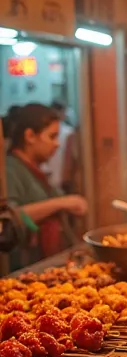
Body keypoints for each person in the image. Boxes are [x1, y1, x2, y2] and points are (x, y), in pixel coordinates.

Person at [4, 104, 87, 268]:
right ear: (30, 136)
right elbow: (11, 219)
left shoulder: (37, 170)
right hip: (24, 269)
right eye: (52, 136)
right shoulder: (9, 170)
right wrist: (62, 203)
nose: (57, 144)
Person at [43, 101, 76, 192]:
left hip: (56, 175)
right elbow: (68, 158)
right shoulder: (68, 132)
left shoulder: (68, 132)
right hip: (56, 175)